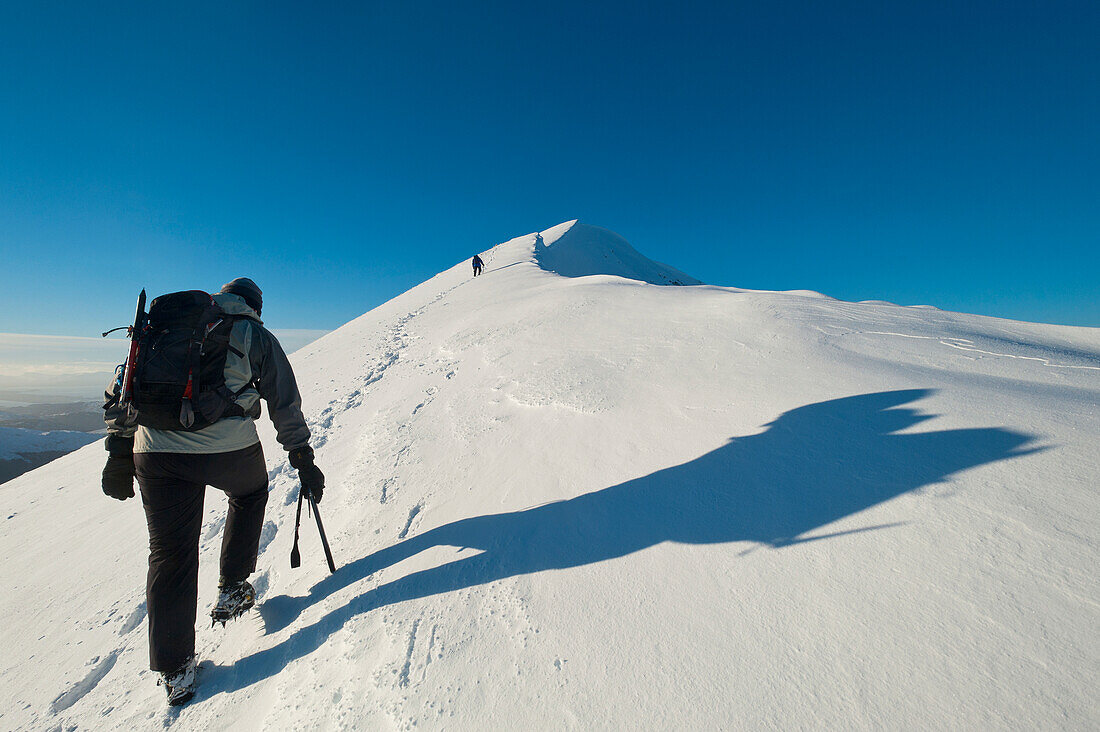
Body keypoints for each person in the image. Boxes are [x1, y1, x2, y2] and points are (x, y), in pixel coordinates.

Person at [100, 277, 325, 706]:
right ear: (255, 305)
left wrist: (118, 452)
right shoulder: (252, 332)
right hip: (228, 449)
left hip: (156, 453)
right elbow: (283, 398)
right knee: (251, 492)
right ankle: (233, 585)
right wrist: (301, 456)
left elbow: (125, 387)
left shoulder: (164, 330)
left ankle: (176, 670)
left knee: (169, 552)